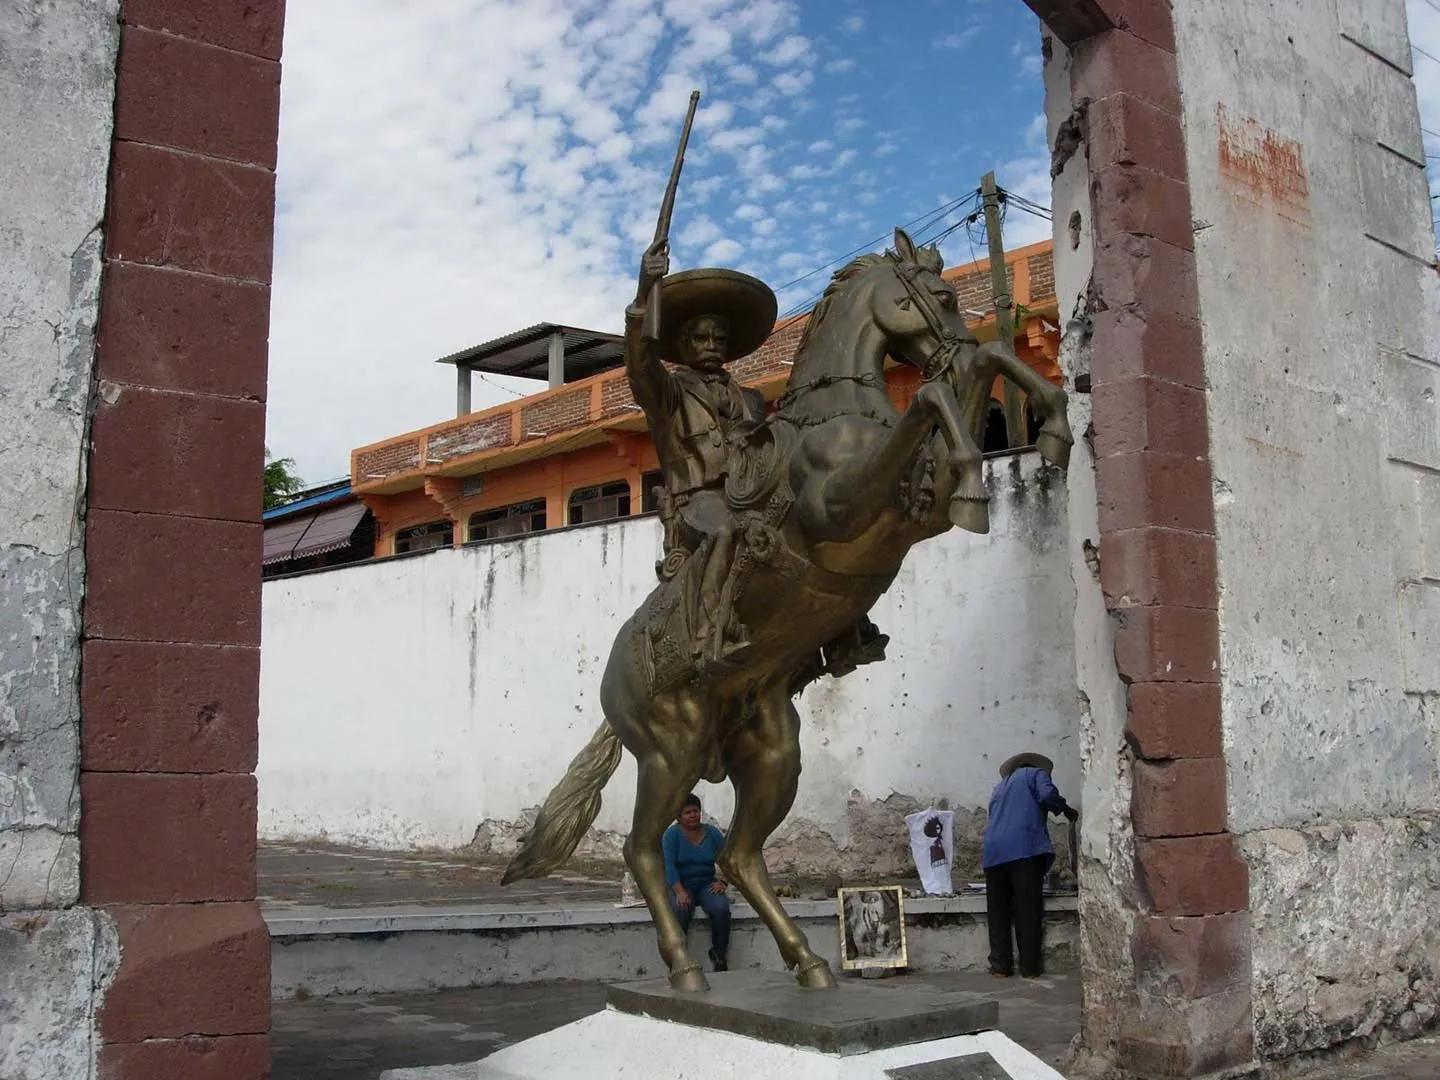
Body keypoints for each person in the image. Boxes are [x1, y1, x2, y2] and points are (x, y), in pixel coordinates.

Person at [982, 751, 1078, 979]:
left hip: (994, 852)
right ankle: (1029, 967)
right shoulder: (1035, 774)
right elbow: (1047, 795)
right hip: (1023, 849)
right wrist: (1064, 809)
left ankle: (1000, 967)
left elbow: (992, 814)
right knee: (1027, 909)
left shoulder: (1000, 787)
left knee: (998, 912)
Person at [662, 793, 731, 972]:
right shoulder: (672, 835)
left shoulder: (711, 833)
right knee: (680, 909)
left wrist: (723, 882)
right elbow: (668, 866)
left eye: (696, 811)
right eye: (687, 812)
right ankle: (679, 958)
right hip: (681, 883)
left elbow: (729, 858)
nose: (693, 815)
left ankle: (719, 955)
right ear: (678, 817)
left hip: (706, 882)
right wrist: (679, 891)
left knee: (721, 909)